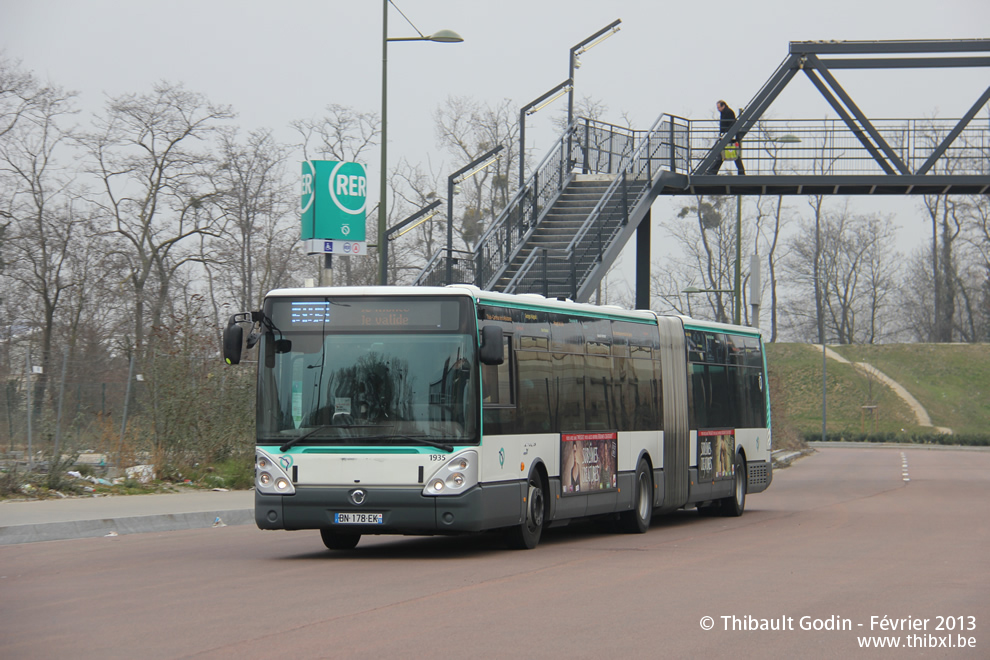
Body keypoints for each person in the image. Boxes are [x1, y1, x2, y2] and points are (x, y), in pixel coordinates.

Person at [707, 100, 745, 175]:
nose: (718, 109)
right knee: (731, 154)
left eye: (719, 107)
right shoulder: (726, 112)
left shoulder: (728, 112)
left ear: (723, 106)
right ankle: (741, 171)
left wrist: (725, 134)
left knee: (723, 154)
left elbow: (730, 124)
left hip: (728, 136)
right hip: (728, 135)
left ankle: (712, 171)